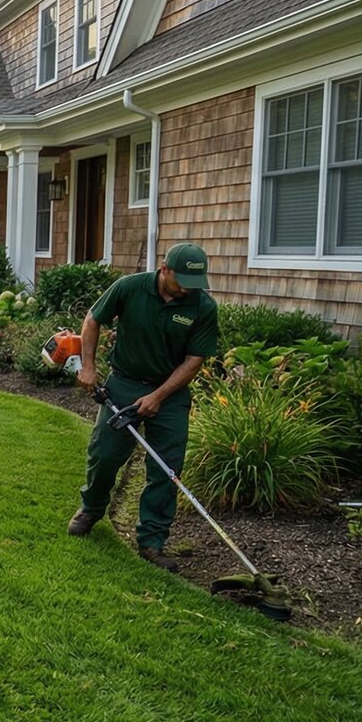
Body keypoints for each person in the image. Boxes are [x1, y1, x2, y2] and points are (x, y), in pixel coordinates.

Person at [68, 243, 219, 570]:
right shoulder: (130, 287)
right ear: (164, 270)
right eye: (182, 282)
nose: (188, 290)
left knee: (166, 468)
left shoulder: (203, 306)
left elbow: (194, 361)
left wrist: (158, 397)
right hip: (124, 383)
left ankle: (152, 540)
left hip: (171, 394)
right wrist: (89, 366)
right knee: (104, 455)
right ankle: (91, 509)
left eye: (194, 284)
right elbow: (93, 319)